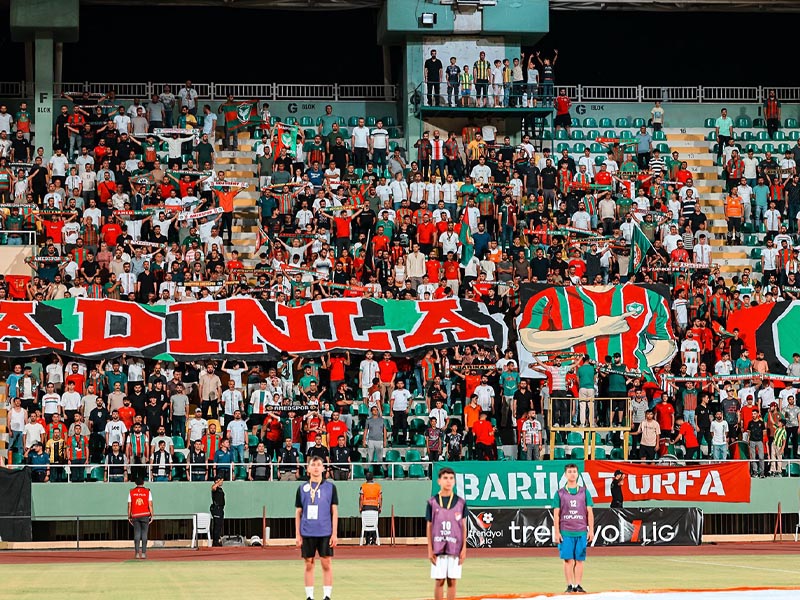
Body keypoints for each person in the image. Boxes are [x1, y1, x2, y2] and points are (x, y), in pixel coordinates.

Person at [296, 456, 338, 600]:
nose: (315, 467)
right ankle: (309, 596)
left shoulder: (330, 487)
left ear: (323, 468)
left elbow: (334, 511)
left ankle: (327, 595)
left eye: (318, 464)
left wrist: (334, 534)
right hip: (307, 531)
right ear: (308, 468)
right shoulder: (302, 488)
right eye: (313, 465)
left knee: (326, 563)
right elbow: (298, 513)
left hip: (325, 531)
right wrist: (298, 534)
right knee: (309, 563)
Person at [553, 463, 594, 595]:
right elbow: (556, 514)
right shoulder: (559, 493)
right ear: (565, 475)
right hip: (566, 531)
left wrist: (591, 530)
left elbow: (590, 512)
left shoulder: (584, 492)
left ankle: (578, 585)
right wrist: (557, 532)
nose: (572, 474)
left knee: (580, 560)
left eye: (574, 471)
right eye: (569, 471)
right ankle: (570, 585)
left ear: (578, 474)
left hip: (581, 530)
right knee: (568, 560)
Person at [426, 467, 467, 600]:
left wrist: (464, 548)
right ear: (439, 481)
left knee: (452, 581)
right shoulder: (432, 502)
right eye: (445, 478)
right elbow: (429, 526)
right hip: (438, 546)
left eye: (451, 478)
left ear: (454, 481)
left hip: (455, 546)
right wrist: (429, 549)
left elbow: (463, 526)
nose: (448, 481)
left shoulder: (461, 502)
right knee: (439, 580)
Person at [127, 477, 153, 560]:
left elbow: (129, 505)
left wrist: (129, 516)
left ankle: (137, 553)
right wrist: (152, 515)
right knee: (144, 534)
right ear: (143, 483)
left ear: (135, 483)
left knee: (137, 534)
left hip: (135, 515)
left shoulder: (131, 492)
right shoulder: (147, 491)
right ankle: (144, 553)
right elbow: (150, 504)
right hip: (145, 514)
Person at [358, 471, 382, 545]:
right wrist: (380, 507)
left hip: (365, 507)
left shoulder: (363, 486)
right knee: (375, 524)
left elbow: (361, 498)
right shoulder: (378, 486)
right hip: (375, 507)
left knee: (366, 524)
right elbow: (380, 498)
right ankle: (374, 541)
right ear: (373, 478)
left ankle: (368, 541)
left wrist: (360, 507)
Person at [211, 477, 226, 546]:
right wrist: (217, 483)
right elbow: (213, 488)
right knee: (216, 525)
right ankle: (215, 541)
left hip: (221, 508)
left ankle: (217, 539)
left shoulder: (220, 489)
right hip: (216, 508)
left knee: (219, 525)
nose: (222, 482)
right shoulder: (215, 487)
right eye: (220, 480)